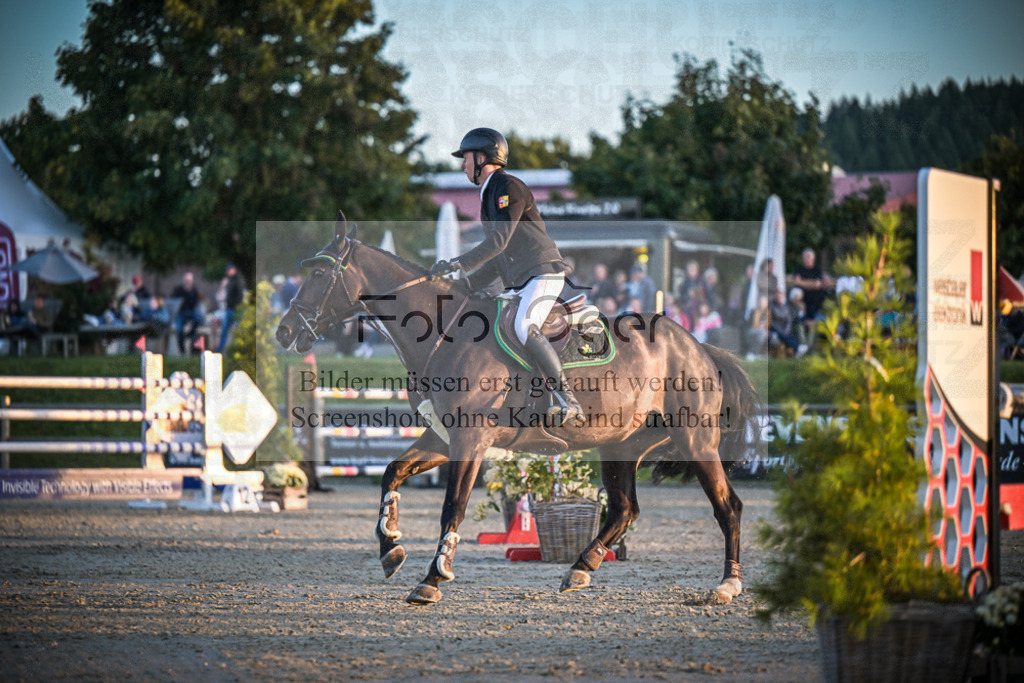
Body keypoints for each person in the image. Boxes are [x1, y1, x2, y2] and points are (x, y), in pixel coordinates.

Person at [430, 127, 583, 426]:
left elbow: (497, 242)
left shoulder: (507, 187)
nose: (463, 165)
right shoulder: (490, 194)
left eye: (466, 158)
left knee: (524, 325)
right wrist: (465, 285)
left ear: (482, 157)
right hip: (522, 280)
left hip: (542, 273)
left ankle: (569, 399)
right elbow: (499, 256)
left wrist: (456, 264)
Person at [793, 248, 832, 321]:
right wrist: (811, 284)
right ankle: (801, 319)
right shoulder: (799, 269)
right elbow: (796, 282)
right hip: (802, 299)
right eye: (805, 257)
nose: (806, 259)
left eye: (808, 256)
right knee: (795, 292)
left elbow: (817, 284)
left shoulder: (817, 270)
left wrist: (802, 282)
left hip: (815, 299)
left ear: (813, 258)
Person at [172, 271, 204, 355]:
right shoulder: (178, 290)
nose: (188, 281)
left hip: (191, 312)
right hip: (181, 313)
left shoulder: (194, 291)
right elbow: (173, 302)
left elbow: (196, 303)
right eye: (186, 279)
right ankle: (182, 350)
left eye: (189, 280)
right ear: (183, 280)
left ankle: (190, 334)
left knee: (199, 319)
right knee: (179, 329)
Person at [216, 263, 245, 353]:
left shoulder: (238, 280)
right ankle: (220, 350)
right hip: (229, 309)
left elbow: (239, 295)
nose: (228, 272)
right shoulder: (230, 280)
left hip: (235, 309)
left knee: (238, 331)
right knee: (225, 330)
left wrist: (236, 306)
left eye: (229, 270)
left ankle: (240, 350)